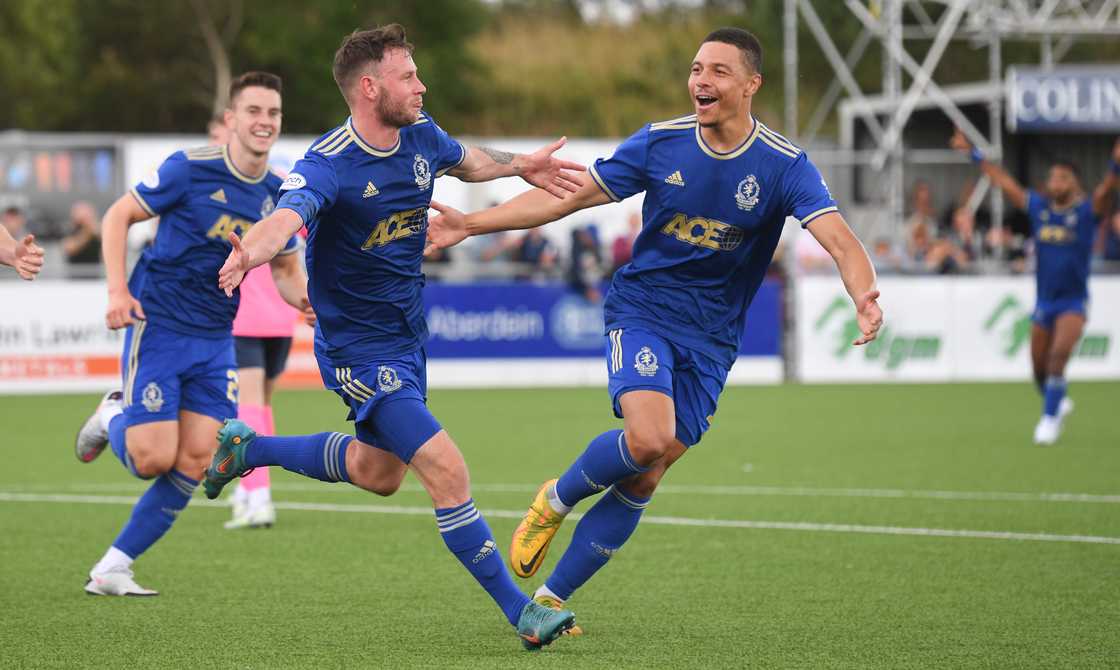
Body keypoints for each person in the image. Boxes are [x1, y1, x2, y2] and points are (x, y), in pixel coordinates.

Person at [424, 27, 881, 629]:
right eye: (696, 69)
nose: (701, 81)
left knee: (651, 468)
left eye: (718, 71)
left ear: (751, 85)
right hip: (645, 311)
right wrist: (474, 226)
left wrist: (865, 294)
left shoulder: (783, 164)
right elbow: (569, 199)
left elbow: (840, 240)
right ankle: (556, 498)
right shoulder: (661, 143)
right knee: (647, 437)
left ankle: (549, 602)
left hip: (714, 340)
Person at [202, 25, 581, 650]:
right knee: (445, 467)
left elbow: (468, 160)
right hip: (355, 349)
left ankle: (248, 450)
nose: (421, 84)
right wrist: (250, 255)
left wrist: (522, 165)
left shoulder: (420, 133)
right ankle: (523, 614)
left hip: (408, 338)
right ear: (370, 87)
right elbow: (284, 220)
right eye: (409, 75)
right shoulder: (330, 163)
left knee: (379, 473)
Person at [72, 72, 309, 596]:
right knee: (150, 458)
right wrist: (116, 291)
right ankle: (111, 413)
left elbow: (288, 272)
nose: (264, 121)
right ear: (231, 120)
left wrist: (308, 303)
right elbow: (118, 217)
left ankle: (113, 567)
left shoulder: (280, 195)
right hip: (158, 323)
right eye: (253, 111)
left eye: (273, 113)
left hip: (216, 337)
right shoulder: (189, 168)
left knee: (198, 459)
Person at [951, 129, 1120, 445]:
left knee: (1058, 358)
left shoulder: (1084, 213)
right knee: (1038, 368)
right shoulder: (1040, 208)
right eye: (1053, 177)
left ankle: (1049, 419)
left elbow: (1107, 189)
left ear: (1074, 183)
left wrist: (1114, 164)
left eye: (1062, 178)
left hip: (1073, 302)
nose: (1055, 183)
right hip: (1045, 302)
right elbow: (1005, 183)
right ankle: (1057, 399)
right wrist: (973, 153)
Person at [210, 115, 312, 530]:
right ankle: (249, 492)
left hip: (249, 314)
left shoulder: (228, 191)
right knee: (260, 406)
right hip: (279, 315)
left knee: (248, 406)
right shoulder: (287, 186)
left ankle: (258, 494)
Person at [61, 201, 103, 275]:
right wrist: (86, 233)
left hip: (95, 274)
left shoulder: (97, 232)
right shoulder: (70, 230)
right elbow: (70, 249)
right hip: (74, 274)